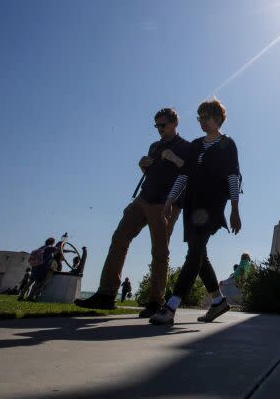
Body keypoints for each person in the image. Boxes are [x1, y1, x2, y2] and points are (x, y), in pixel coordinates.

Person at [76, 108, 191, 318]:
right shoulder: (154, 146)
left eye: (163, 125)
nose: (159, 129)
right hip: (143, 198)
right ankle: (106, 295)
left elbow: (190, 174)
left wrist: (175, 158)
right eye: (156, 125)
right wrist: (143, 166)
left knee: (159, 251)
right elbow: (154, 174)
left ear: (175, 123)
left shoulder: (185, 147)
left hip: (166, 203)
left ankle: (156, 302)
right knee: (119, 238)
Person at [150, 98, 242, 326]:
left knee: (194, 254)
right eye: (199, 118)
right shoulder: (195, 145)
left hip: (212, 206)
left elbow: (233, 176)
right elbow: (184, 174)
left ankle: (170, 306)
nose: (202, 122)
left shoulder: (227, 145)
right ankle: (218, 301)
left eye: (206, 118)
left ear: (218, 119)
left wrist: (234, 208)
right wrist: (171, 198)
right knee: (199, 255)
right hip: (192, 204)